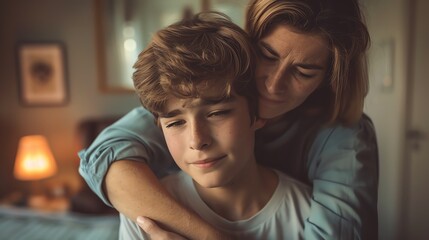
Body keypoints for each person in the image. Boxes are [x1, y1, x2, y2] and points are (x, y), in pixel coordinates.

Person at [79, 0, 379, 239]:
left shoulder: (344, 138)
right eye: (268, 55)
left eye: (303, 71)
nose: (272, 85)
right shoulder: (200, 96)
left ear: (328, 79)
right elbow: (104, 160)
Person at [119, 12, 311, 239]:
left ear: (257, 114)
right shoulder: (146, 216)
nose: (197, 141)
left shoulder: (308, 214)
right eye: (176, 122)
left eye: (217, 113)